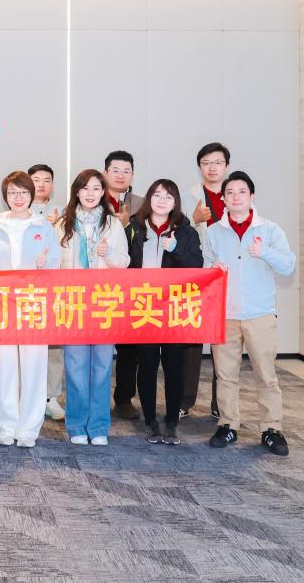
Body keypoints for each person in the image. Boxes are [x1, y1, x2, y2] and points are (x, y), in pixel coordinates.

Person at [205, 171, 295, 456]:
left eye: (241, 192)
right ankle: (228, 425)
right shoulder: (213, 232)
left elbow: (288, 266)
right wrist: (212, 269)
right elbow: (204, 267)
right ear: (223, 199)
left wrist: (264, 251)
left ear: (252, 196)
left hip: (260, 314)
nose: (235, 197)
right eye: (229, 193)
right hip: (225, 314)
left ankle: (271, 429)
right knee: (225, 375)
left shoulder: (270, 230)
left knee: (266, 375)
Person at [0, 171, 60, 448]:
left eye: (23, 192)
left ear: (31, 195)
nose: (18, 198)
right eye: (12, 193)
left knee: (34, 368)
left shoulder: (44, 227)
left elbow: (55, 265)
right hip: (3, 304)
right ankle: (6, 426)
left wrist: (43, 265)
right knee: (5, 368)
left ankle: (28, 429)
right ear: (5, 196)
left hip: (33, 304)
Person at [125, 179, 203, 445]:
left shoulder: (186, 231)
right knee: (146, 365)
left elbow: (197, 266)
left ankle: (171, 422)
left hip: (174, 309)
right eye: (157, 195)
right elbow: (124, 266)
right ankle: (150, 421)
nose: (162, 201)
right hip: (143, 307)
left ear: (175, 203)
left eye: (168, 197)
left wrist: (175, 249)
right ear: (149, 198)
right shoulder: (134, 228)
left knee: (174, 366)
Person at [56, 169, 130, 445]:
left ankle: (99, 427)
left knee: (101, 367)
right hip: (72, 303)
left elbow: (124, 262)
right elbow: (53, 264)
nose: (90, 193)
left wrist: (107, 254)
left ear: (103, 193)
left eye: (96, 188)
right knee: (75, 367)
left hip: (103, 303)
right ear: (77, 192)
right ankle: (76, 426)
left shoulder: (113, 224)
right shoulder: (62, 223)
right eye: (85, 188)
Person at [183, 142, 231, 419]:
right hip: (199, 276)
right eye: (206, 163)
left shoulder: (235, 194)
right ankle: (184, 401)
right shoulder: (190, 196)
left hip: (227, 276)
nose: (212, 168)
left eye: (217, 162)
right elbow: (178, 231)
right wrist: (193, 219)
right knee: (191, 341)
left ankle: (219, 402)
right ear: (199, 166)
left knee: (223, 343)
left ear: (226, 166)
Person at [103, 150, 145, 421]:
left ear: (132, 174)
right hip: (100, 286)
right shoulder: (92, 198)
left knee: (129, 347)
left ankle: (124, 398)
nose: (120, 175)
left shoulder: (142, 204)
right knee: (95, 345)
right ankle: (95, 397)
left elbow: (146, 242)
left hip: (131, 285)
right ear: (105, 173)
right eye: (115, 170)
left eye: (126, 171)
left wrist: (129, 226)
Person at [29, 163, 67, 421]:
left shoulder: (64, 214)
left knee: (54, 346)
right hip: (27, 290)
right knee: (26, 345)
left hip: (54, 288)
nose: (41, 184)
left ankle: (51, 397)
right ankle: (28, 396)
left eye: (46, 180)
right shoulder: (16, 211)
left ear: (52, 185)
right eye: (36, 179)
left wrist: (56, 228)